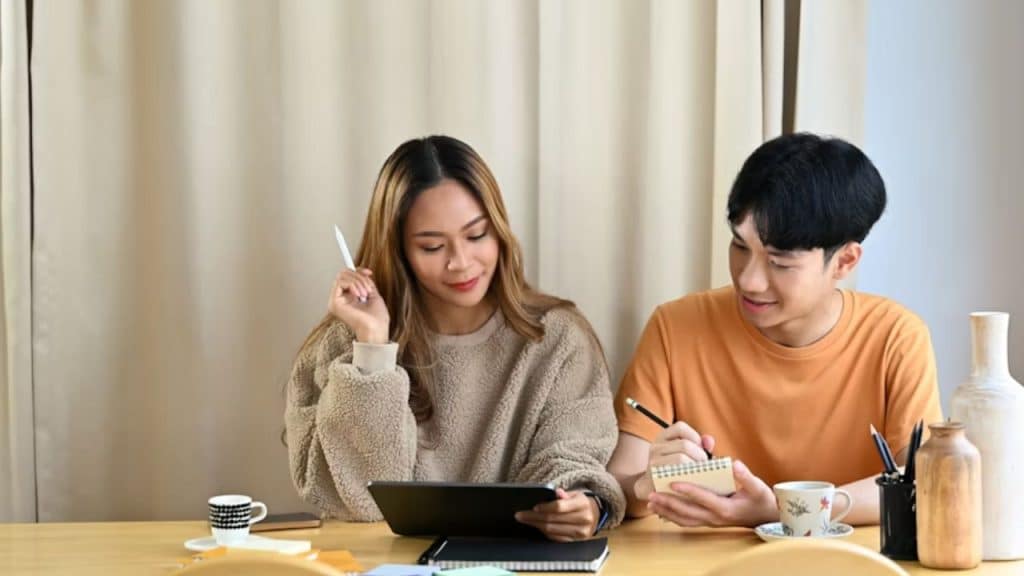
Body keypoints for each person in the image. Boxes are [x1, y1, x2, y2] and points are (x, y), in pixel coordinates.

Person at [285, 135, 624, 541]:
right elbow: (361, 500)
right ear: (398, 251)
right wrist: (373, 350)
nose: (460, 263)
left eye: (476, 235)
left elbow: (572, 462)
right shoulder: (345, 346)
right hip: (382, 563)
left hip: (519, 560)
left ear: (499, 231)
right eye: (432, 246)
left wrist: (581, 505)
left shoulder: (557, 338)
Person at [607, 132, 942, 528]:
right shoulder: (675, 327)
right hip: (708, 560)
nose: (749, 280)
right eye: (739, 247)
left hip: (849, 559)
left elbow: (922, 486)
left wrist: (781, 511)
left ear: (845, 261)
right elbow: (619, 486)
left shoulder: (895, 338)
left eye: (779, 263)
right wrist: (646, 484)